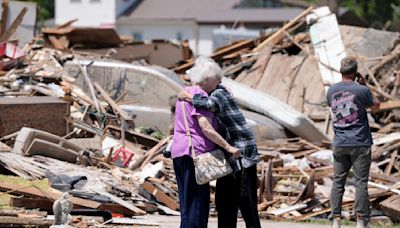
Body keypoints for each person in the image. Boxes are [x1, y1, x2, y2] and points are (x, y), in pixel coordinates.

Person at [179, 56, 261, 228]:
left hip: (241, 153)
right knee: (225, 201)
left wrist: (188, 98)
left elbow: (209, 105)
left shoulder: (219, 92)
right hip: (229, 154)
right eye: (218, 78)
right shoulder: (213, 90)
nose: (220, 81)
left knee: (246, 201)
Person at [171, 58, 240, 228]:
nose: (219, 84)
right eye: (218, 80)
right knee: (197, 204)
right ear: (207, 79)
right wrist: (227, 146)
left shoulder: (184, 92)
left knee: (187, 203)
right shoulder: (199, 95)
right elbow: (206, 128)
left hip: (180, 151)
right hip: (195, 153)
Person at [327, 57, 380, 228]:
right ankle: (361, 221)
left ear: (340, 71)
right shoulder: (361, 90)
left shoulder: (331, 90)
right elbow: (376, 107)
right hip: (360, 142)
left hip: (340, 142)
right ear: (355, 72)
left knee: (338, 181)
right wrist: (365, 86)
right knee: (361, 182)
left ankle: (335, 220)